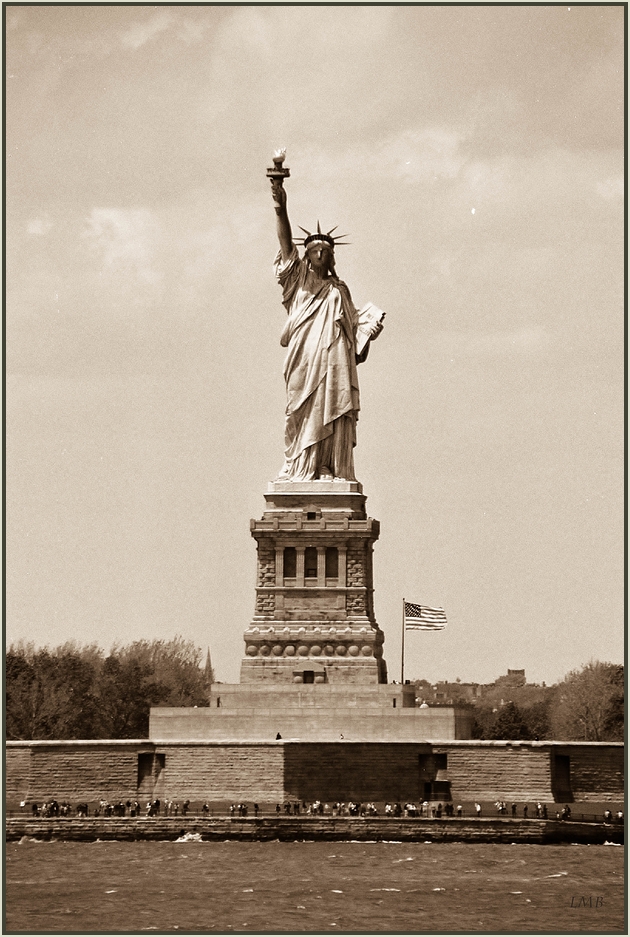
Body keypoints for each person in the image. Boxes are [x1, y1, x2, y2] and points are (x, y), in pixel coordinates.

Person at [270, 171, 384, 482]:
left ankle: (326, 467)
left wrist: (369, 334)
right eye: (314, 249)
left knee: (331, 407)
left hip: (335, 363)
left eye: (325, 250)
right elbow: (284, 240)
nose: (319, 253)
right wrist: (280, 205)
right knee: (300, 409)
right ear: (305, 255)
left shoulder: (339, 290)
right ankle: (299, 466)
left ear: (331, 256)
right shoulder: (298, 282)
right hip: (304, 358)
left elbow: (354, 344)